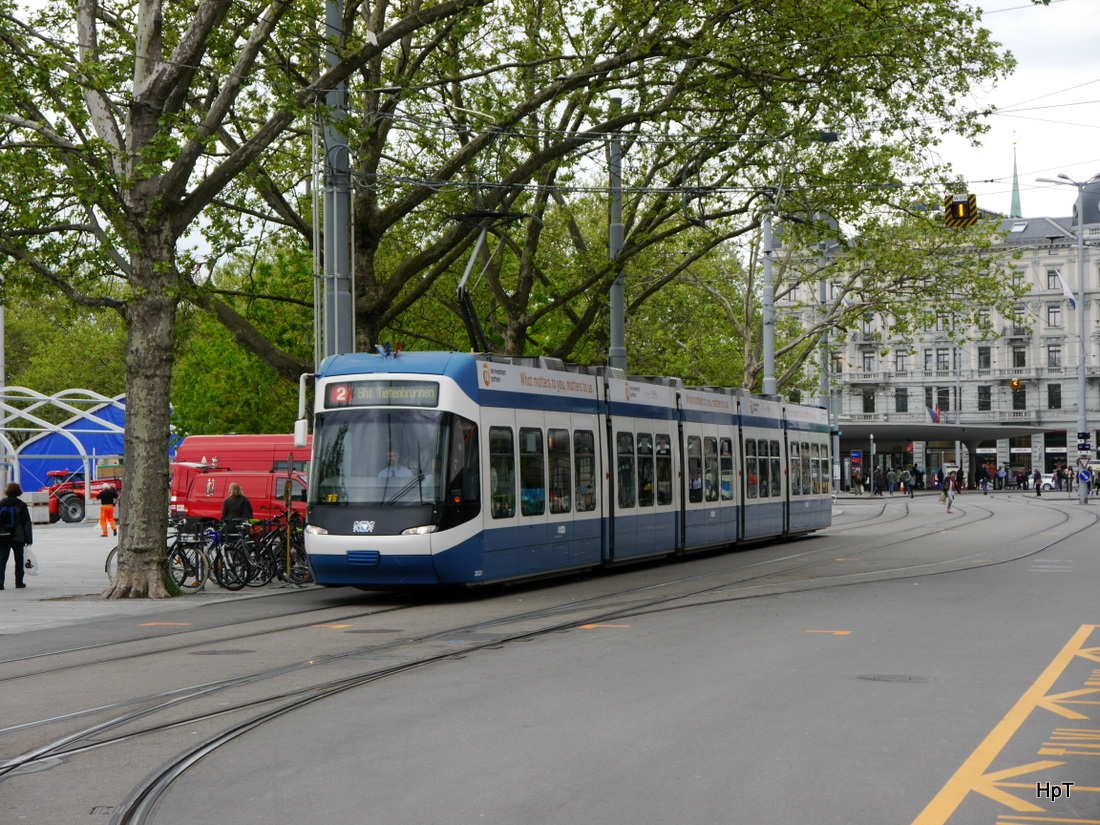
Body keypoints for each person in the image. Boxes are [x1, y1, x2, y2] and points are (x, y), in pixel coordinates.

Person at [0, 482, 33, 590]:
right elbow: (26, 522)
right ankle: (19, 582)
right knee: (19, 560)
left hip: (3, 535)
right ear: (18, 491)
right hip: (18, 537)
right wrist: (29, 538)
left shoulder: (2, 503)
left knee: (2, 560)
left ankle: (0, 583)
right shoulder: (21, 505)